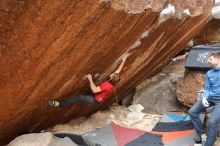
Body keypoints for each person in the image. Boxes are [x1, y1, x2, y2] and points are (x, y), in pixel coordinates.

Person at [48, 56, 128, 107]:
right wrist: (124, 60)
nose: (112, 73)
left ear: (111, 78)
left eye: (113, 74)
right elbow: (118, 70)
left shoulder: (107, 85)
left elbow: (94, 90)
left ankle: (59, 103)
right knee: (87, 92)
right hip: (96, 94)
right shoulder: (113, 80)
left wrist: (90, 79)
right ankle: (81, 99)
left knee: (80, 97)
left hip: (95, 100)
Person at [188, 52, 220, 146]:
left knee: (212, 121)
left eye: (210, 59)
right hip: (209, 98)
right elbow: (207, 88)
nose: (208, 61)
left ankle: (209, 143)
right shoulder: (209, 73)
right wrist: (204, 98)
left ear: (218, 60)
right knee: (192, 111)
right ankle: (202, 132)